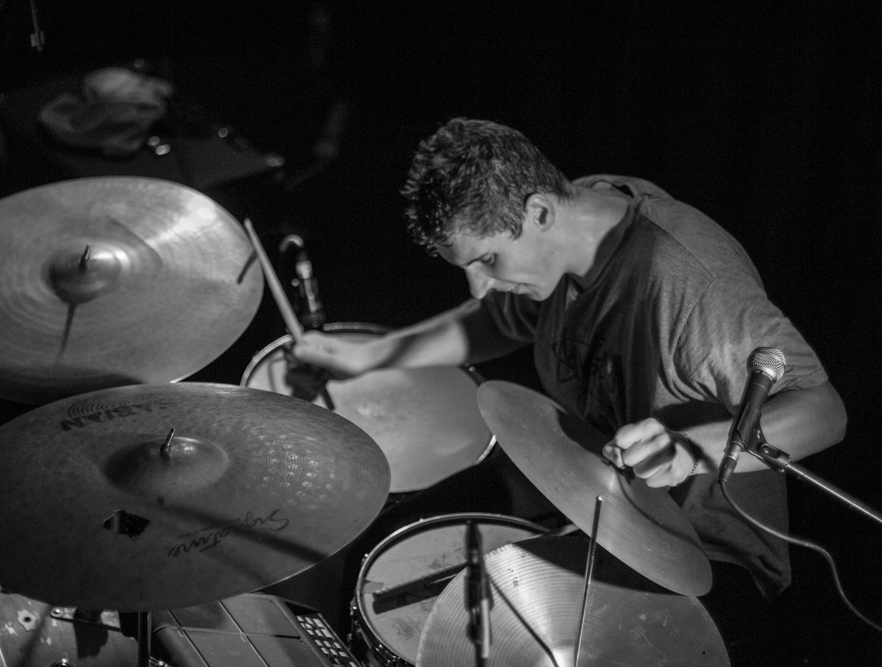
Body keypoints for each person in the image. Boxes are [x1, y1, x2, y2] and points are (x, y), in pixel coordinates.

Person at [290, 118, 847, 659]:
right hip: (590, 488)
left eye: (487, 259)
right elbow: (492, 321)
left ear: (538, 211)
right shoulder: (566, 228)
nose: (480, 283)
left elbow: (822, 411)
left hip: (705, 553)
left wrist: (691, 450)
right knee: (384, 545)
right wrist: (371, 355)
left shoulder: (688, 284)